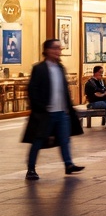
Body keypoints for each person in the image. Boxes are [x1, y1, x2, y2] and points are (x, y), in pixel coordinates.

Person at [23, 39, 85, 180]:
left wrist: (69, 108)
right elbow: (32, 90)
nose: (59, 51)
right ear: (48, 50)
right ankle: (31, 169)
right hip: (46, 112)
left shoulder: (60, 68)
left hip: (61, 112)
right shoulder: (39, 68)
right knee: (38, 140)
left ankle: (68, 165)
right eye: (56, 48)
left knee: (64, 139)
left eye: (59, 48)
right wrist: (39, 107)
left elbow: (64, 90)